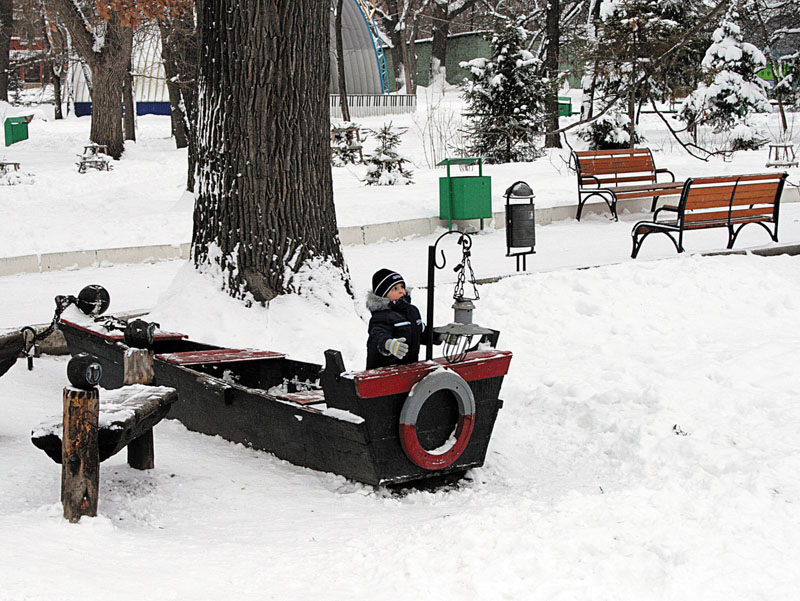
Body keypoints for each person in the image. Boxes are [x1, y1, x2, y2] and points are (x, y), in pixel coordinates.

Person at [366, 268, 426, 369]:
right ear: (383, 294)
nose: (401, 291)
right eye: (395, 288)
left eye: (402, 286)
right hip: (384, 373)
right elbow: (377, 336)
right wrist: (388, 344)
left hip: (408, 370)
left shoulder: (412, 311)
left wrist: (438, 335)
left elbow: (421, 331)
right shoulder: (381, 316)